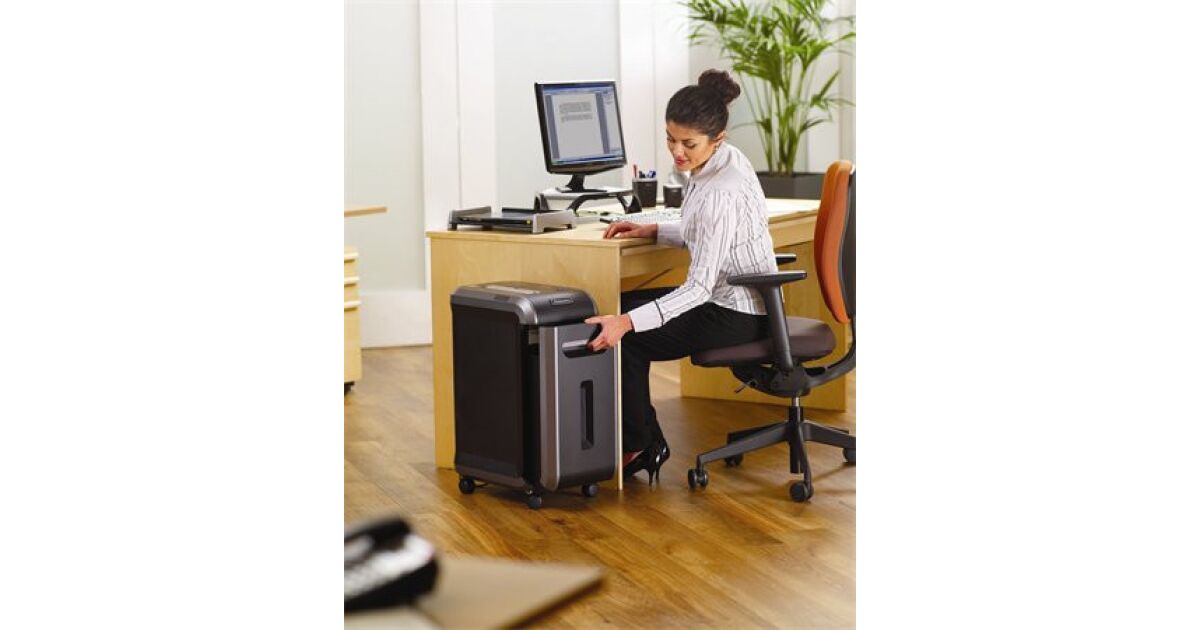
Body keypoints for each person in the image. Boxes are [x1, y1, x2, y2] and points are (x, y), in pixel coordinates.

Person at [585, 69, 778, 483]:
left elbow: (698, 288)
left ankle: (641, 444)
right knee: (618, 309)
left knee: (627, 334)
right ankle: (640, 438)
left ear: (717, 138)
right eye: (670, 139)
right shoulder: (723, 160)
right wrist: (655, 230)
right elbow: (708, 235)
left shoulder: (721, 190)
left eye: (688, 144)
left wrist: (626, 323)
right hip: (735, 299)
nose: (677, 152)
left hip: (734, 313)